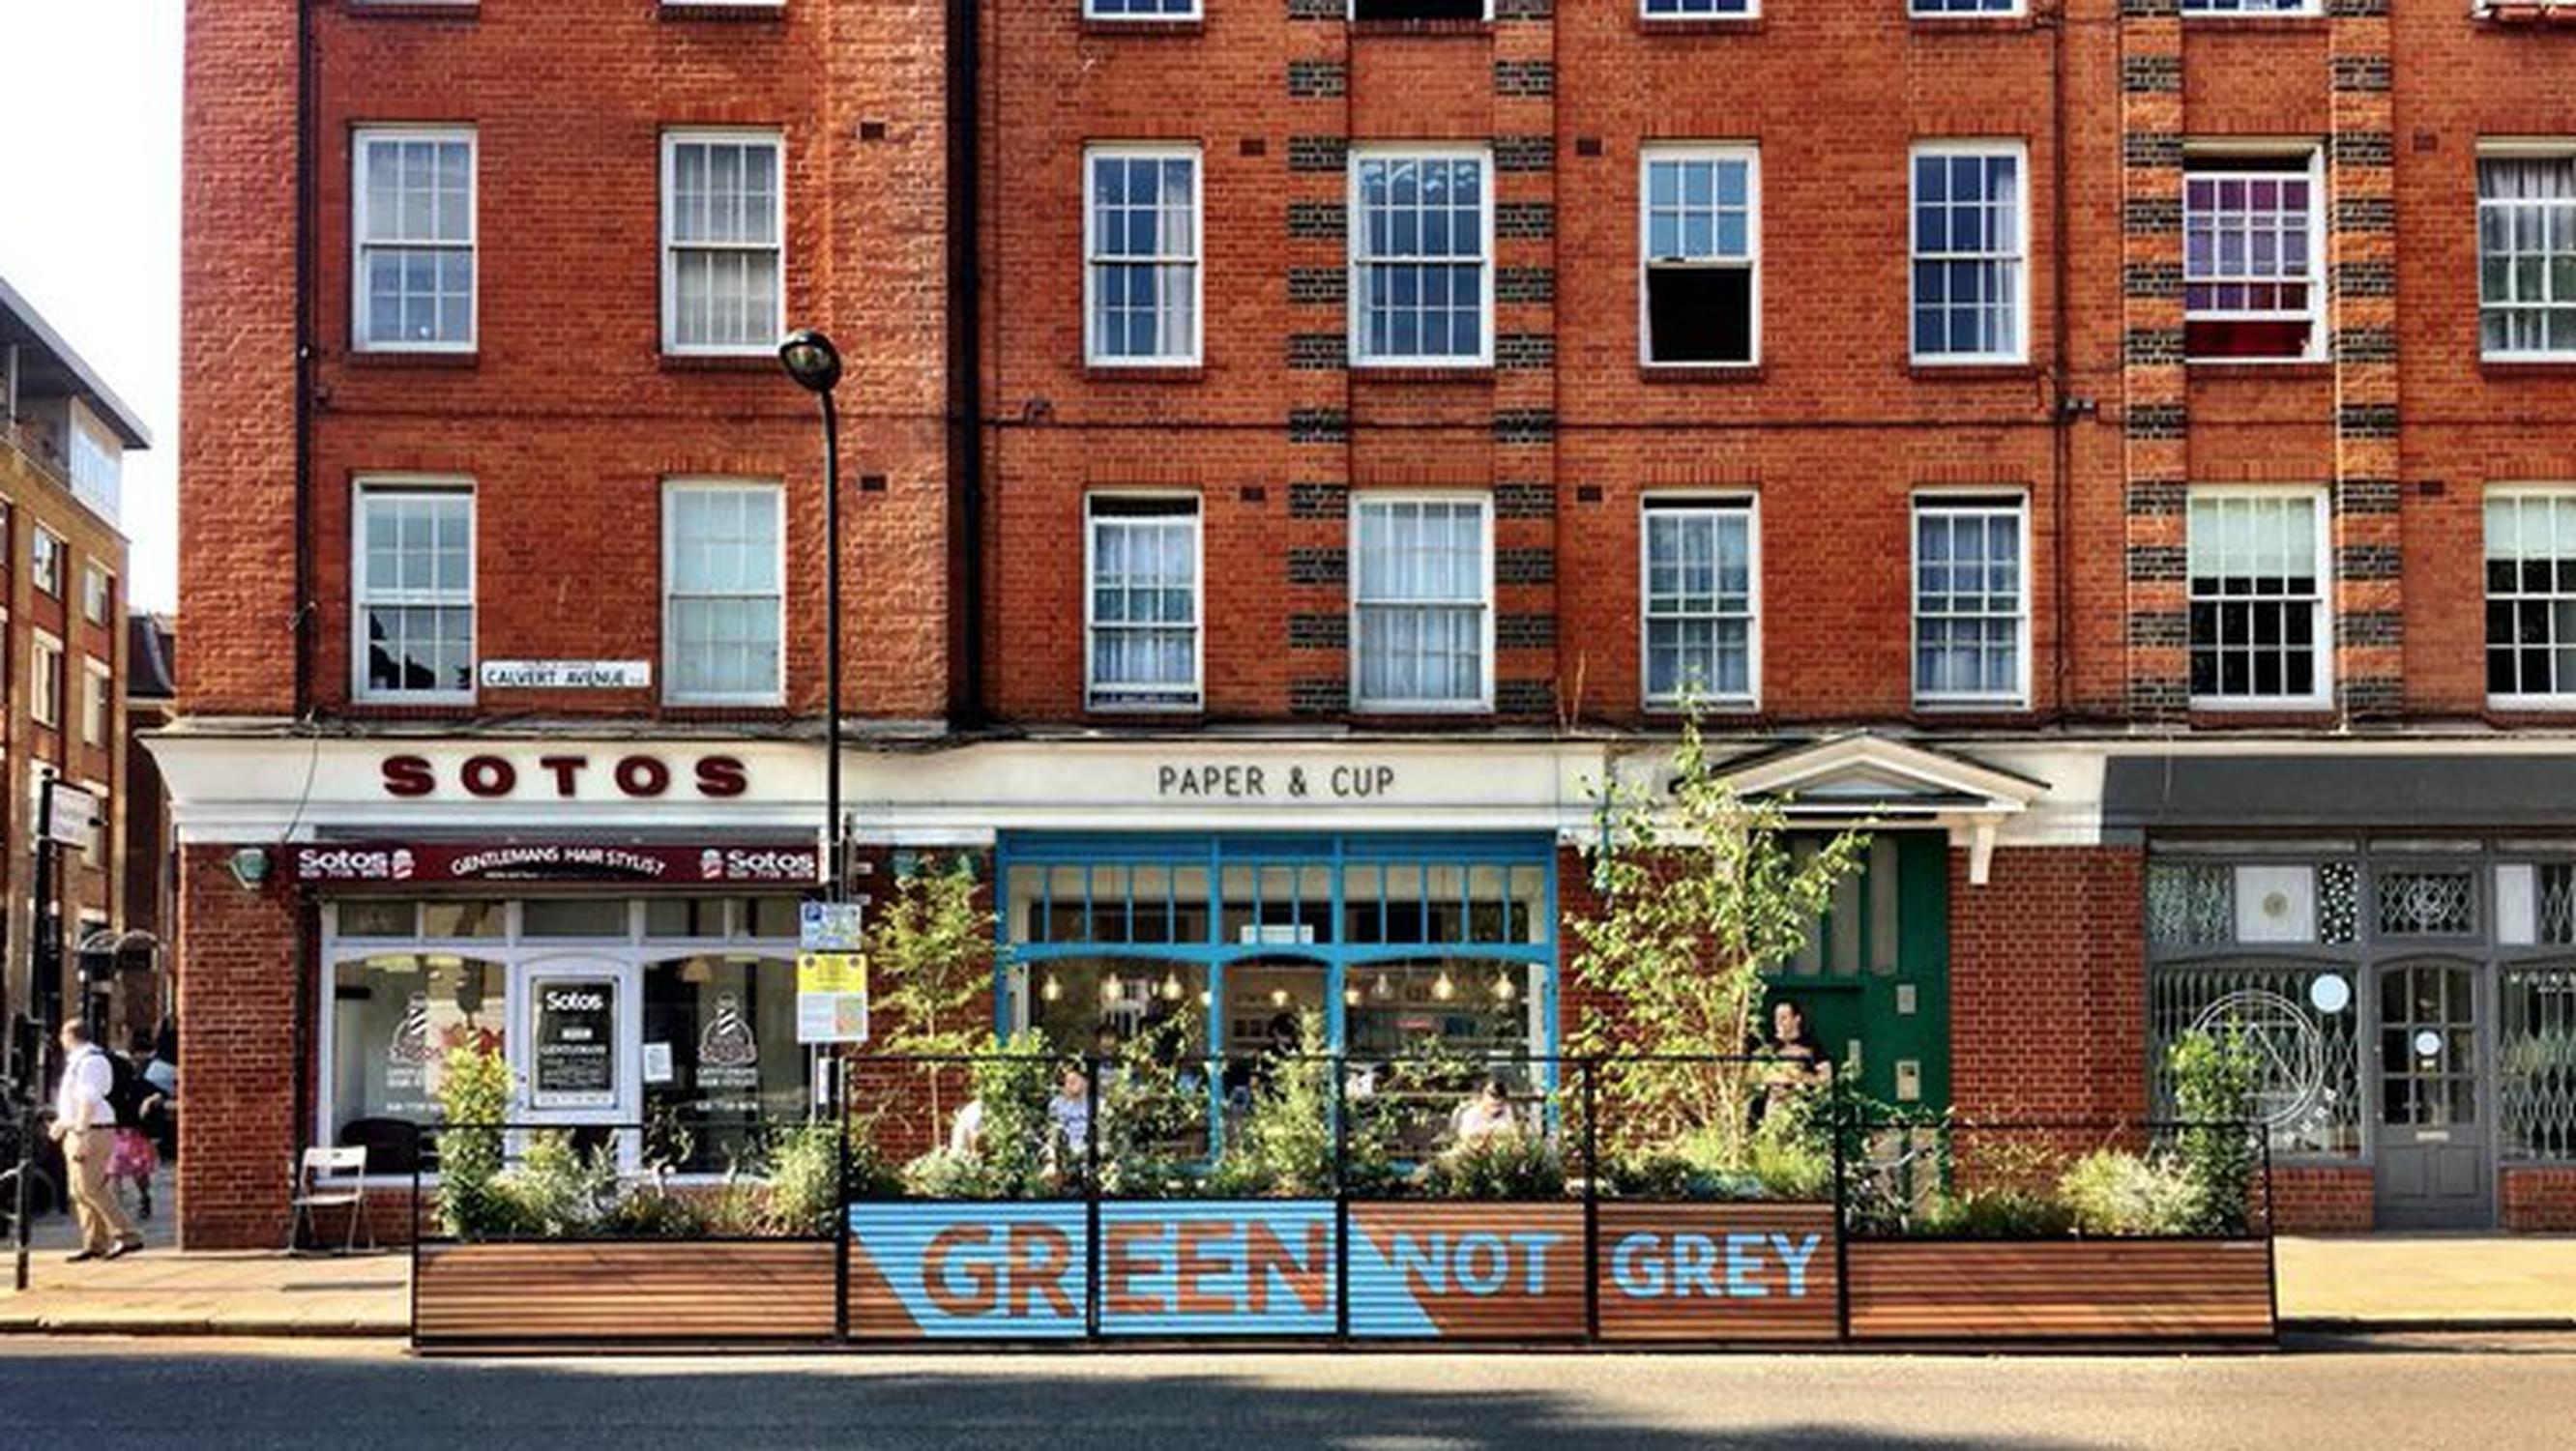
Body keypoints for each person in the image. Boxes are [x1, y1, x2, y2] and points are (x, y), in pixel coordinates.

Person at [47, 1019, 144, 1262]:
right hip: (81, 1128)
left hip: (93, 1130)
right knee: (78, 1190)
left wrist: (81, 1134)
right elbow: (76, 1101)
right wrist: (63, 1123)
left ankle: (128, 1235)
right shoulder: (80, 1062)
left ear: (69, 1035)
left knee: (91, 1187)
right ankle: (95, 1243)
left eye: (62, 1034)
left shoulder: (91, 1061)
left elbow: (89, 1100)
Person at [1449, 1075, 1521, 1147]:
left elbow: (1513, 1137)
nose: (1498, 1100)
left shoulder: (1506, 1111)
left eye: (1502, 1095)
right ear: (1482, 1096)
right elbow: (1465, 1140)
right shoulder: (1470, 1115)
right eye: (1493, 1095)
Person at [1047, 1064, 1093, 1159]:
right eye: (1066, 1082)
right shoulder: (1056, 1104)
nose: (1069, 1085)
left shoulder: (1097, 1103)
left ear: (1085, 1081)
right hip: (1066, 1152)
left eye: (1073, 1081)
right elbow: (1053, 1131)